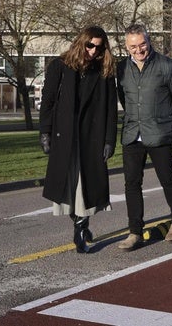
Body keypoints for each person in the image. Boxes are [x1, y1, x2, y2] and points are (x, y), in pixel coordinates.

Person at [39, 25, 117, 253]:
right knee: (68, 185)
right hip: (64, 136)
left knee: (86, 184)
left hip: (92, 138)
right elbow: (48, 101)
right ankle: (77, 219)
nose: (93, 51)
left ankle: (81, 227)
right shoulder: (59, 66)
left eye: (98, 47)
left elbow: (111, 109)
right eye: (90, 45)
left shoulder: (104, 72)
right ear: (81, 42)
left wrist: (109, 140)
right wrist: (45, 132)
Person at [116, 24, 172, 251]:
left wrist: (168, 125)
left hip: (160, 134)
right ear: (126, 47)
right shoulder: (121, 69)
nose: (139, 50)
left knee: (167, 178)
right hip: (132, 134)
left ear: (149, 41)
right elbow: (124, 99)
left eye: (142, 44)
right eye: (133, 46)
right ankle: (135, 231)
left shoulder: (167, 66)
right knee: (132, 184)